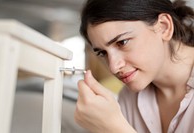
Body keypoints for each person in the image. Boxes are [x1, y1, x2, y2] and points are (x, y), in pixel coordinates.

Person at [74, 0, 194, 132]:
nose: (114, 67)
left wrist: (114, 128)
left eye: (122, 42)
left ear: (164, 27)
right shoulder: (129, 97)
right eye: (103, 53)